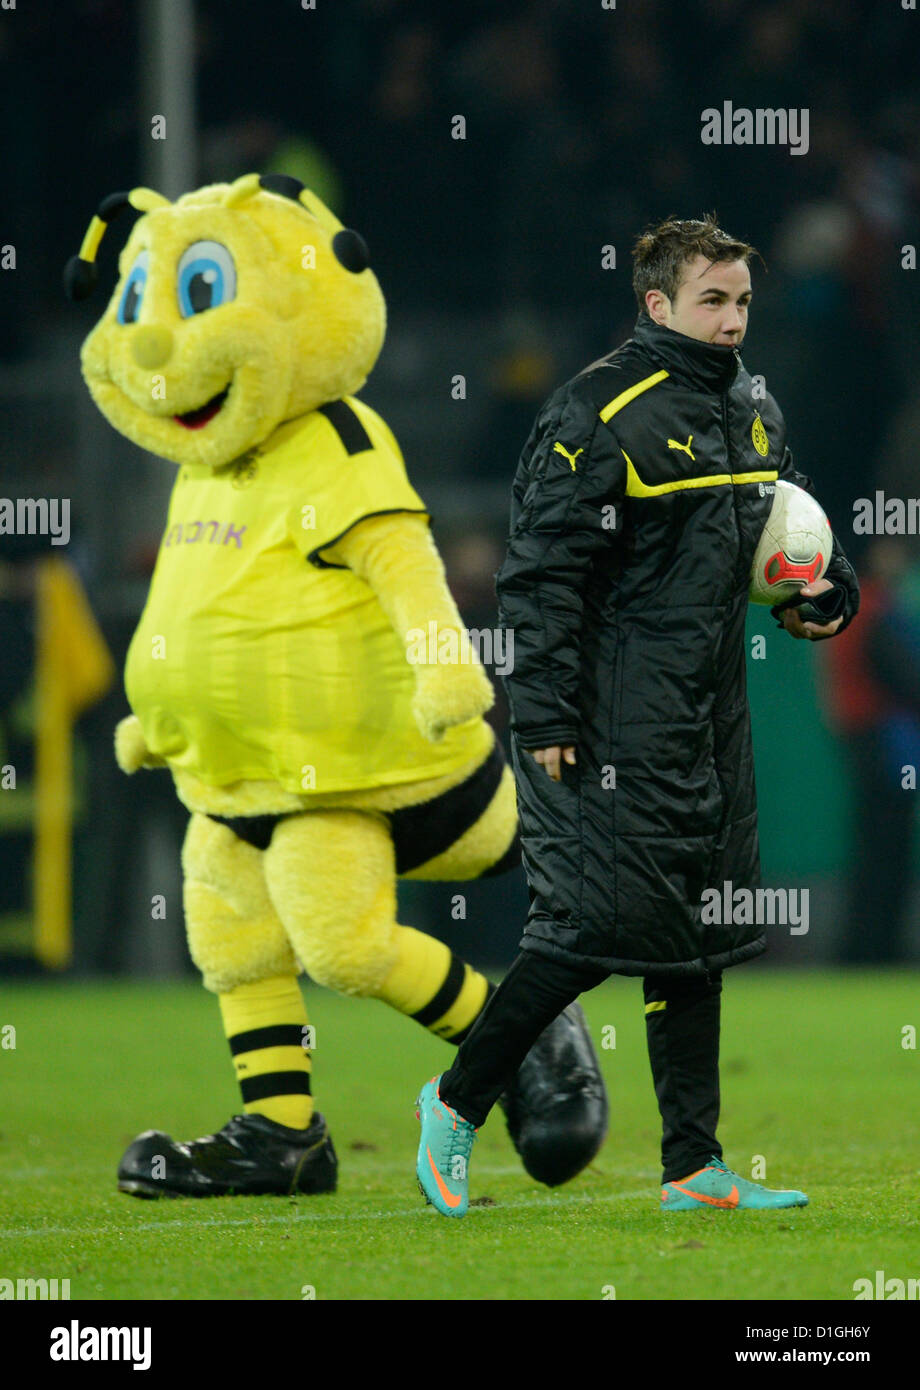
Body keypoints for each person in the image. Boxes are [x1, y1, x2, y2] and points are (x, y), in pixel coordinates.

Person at [414, 215, 860, 1216]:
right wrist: (541, 717)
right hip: (604, 723)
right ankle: (453, 1101)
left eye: (741, 300)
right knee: (583, 931)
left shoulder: (751, 407)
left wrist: (822, 597)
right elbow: (538, 581)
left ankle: (691, 1165)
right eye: (711, 300)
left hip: (709, 716)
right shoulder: (593, 412)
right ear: (656, 303)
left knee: (699, 937)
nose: (730, 319)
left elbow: (781, 544)